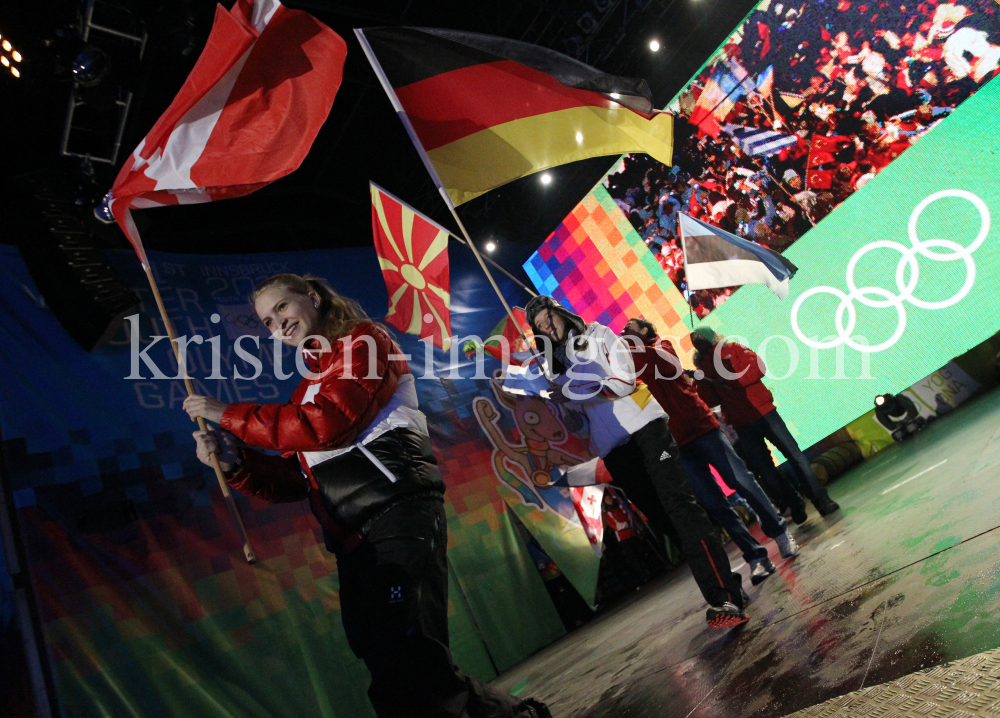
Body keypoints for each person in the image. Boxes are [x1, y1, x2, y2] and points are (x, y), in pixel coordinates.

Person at [182, 273, 550, 718]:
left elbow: (329, 423)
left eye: (282, 307)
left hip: (397, 512)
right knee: (394, 664)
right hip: (354, 537)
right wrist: (235, 464)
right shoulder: (307, 388)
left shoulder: (366, 342)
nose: (275, 323)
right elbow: (297, 478)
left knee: (406, 658)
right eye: (265, 320)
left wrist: (228, 414)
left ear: (313, 297)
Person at [509, 296, 749, 629]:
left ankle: (723, 598)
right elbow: (580, 420)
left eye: (548, 318)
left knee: (679, 507)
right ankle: (726, 582)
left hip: (647, 429)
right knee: (667, 520)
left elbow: (624, 382)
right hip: (613, 449)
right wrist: (560, 398)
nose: (547, 327)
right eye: (539, 327)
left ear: (560, 313)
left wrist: (584, 386)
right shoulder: (554, 366)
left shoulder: (599, 335)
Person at [622, 318, 800, 586]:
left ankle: (780, 532)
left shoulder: (662, 346)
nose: (625, 331)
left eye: (631, 327)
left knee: (741, 480)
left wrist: (634, 346)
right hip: (675, 442)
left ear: (645, 331)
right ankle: (756, 557)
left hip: (703, 427)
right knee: (715, 503)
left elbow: (669, 367)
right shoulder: (629, 362)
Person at [689, 326, 840, 520]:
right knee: (766, 471)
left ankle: (820, 500)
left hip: (763, 411)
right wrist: (702, 380)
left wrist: (729, 380)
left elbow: (757, 369)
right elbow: (710, 400)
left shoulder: (734, 349)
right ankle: (794, 503)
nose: (697, 341)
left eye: (700, 337)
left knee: (795, 457)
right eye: (694, 339)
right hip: (741, 422)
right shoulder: (704, 368)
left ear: (710, 337)